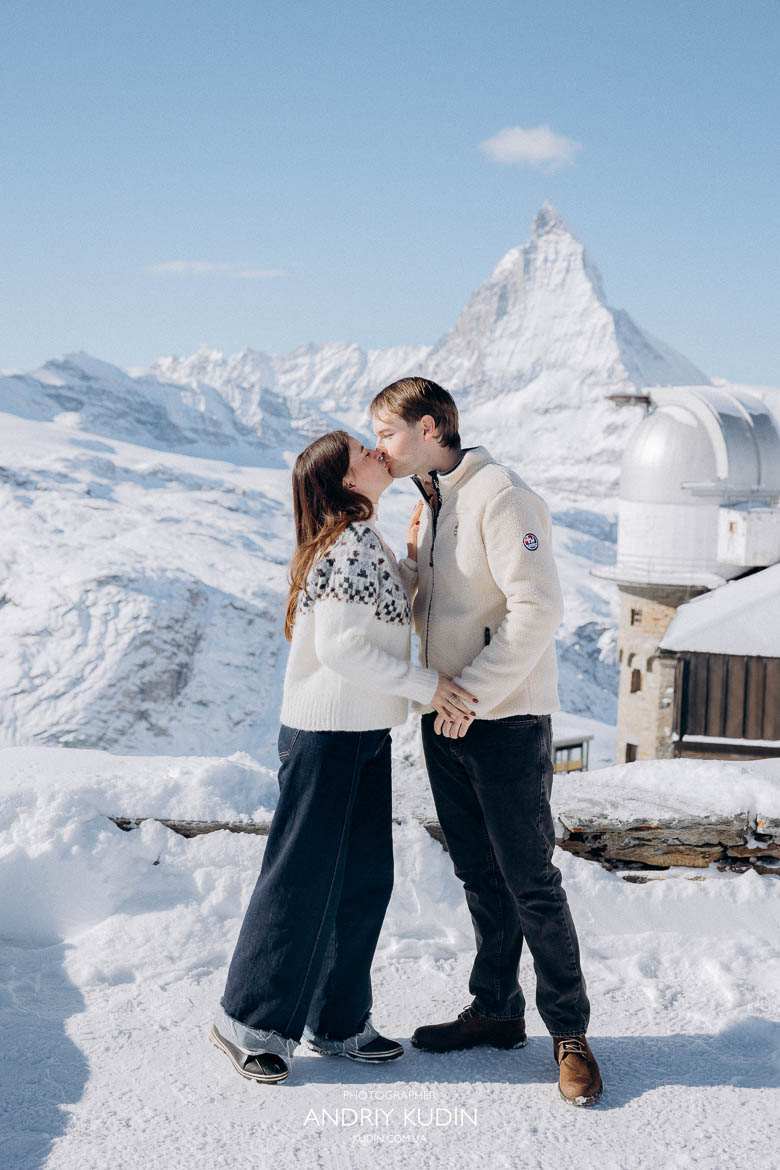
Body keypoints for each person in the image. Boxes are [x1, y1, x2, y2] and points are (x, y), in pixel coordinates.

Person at [210, 429, 478, 1084]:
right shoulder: (348, 543)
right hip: (327, 735)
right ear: (345, 481)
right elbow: (341, 650)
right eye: (361, 451)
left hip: (359, 735)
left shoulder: (366, 539)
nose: (374, 451)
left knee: (361, 881)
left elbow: (392, 610)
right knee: (302, 883)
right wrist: (429, 687)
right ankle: (247, 1022)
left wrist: (421, 548)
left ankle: (337, 1023)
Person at [370, 378, 603, 1107]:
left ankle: (569, 1034)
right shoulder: (436, 501)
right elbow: (451, 607)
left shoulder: (500, 494)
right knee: (480, 876)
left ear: (432, 426)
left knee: (531, 881)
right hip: (447, 718)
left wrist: (474, 695)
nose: (379, 446)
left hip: (501, 721)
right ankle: (498, 1011)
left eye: (387, 432)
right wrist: (412, 567)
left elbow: (539, 609)